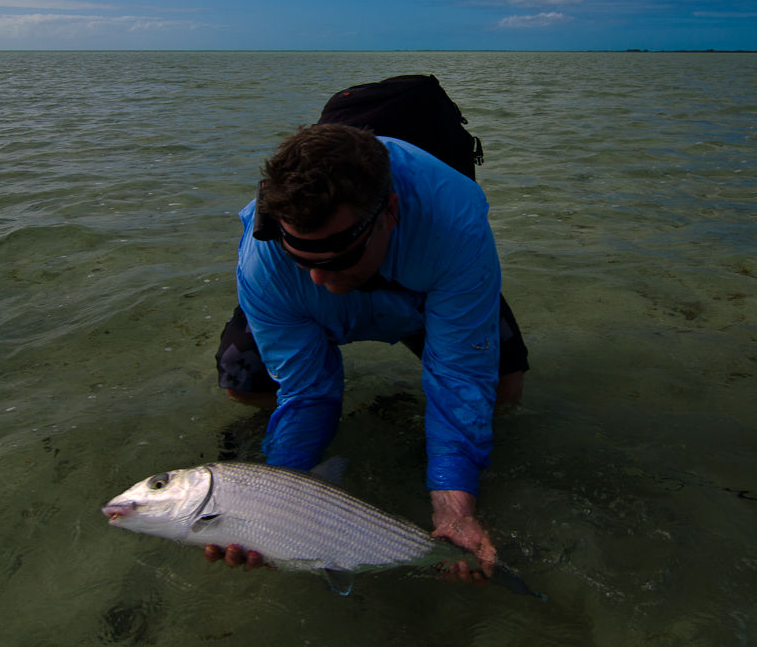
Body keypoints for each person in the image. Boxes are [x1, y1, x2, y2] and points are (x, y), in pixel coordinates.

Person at [211, 123, 529, 580]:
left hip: (423, 293)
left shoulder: (455, 223)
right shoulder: (263, 260)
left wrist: (453, 507)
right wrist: (270, 504)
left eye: (339, 258)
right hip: (305, 313)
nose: (322, 280)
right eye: (304, 262)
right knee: (242, 382)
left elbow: (461, 376)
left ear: (391, 212)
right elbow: (306, 390)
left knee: (502, 392)